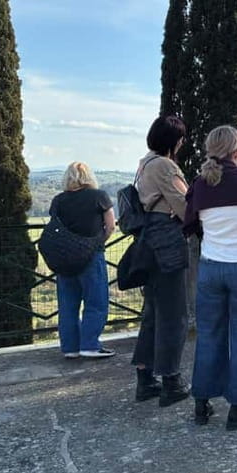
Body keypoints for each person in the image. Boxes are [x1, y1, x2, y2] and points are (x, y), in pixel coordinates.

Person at [183, 125, 237, 429]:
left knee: (209, 334)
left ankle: (201, 403)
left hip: (209, 267)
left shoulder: (200, 184)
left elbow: (188, 224)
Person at [131, 115, 191, 407]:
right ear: (175, 141)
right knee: (175, 313)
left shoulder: (144, 163)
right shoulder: (166, 166)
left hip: (147, 241)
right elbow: (185, 206)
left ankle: (145, 379)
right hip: (167, 241)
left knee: (153, 311)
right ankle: (171, 380)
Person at [50, 162, 116, 359]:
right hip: (91, 256)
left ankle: (70, 348)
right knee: (96, 301)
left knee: (68, 303)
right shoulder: (99, 196)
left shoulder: (58, 200)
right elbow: (111, 226)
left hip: (65, 258)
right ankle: (90, 345)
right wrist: (97, 243)